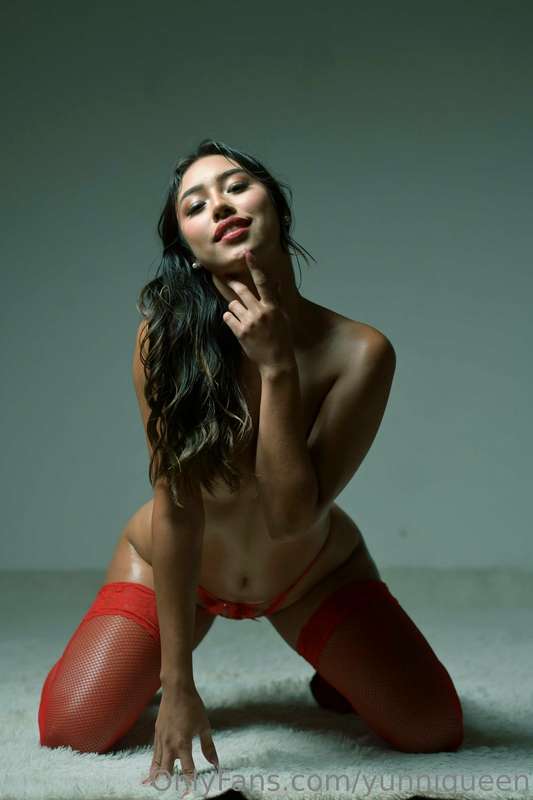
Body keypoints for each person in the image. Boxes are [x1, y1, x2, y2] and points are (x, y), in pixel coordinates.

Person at [37, 139, 463, 787]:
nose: (220, 205)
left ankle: (338, 672)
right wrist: (178, 682)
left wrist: (277, 367)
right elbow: (177, 509)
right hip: (176, 568)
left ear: (276, 209)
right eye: (195, 204)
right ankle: (152, 666)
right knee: (73, 727)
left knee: (432, 730)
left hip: (308, 572)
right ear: (187, 246)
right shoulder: (163, 341)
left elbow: (289, 517)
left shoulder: (360, 352)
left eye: (236, 186)